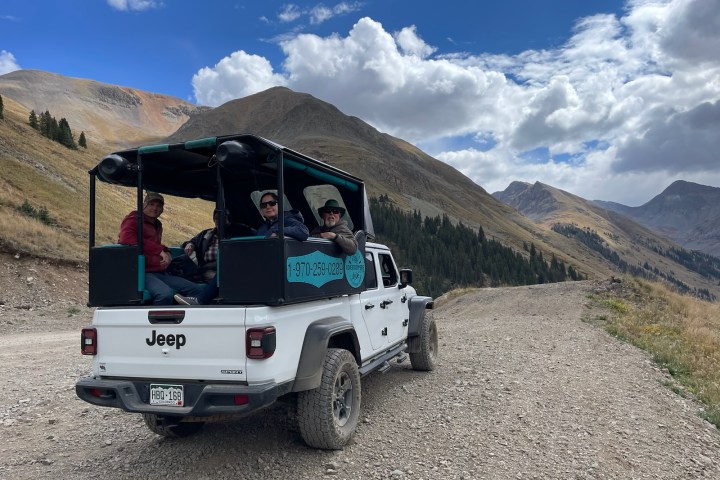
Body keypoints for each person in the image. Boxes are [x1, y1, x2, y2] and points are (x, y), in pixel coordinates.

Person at [174, 192, 309, 306]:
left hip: (274, 268)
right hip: (259, 263)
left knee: (228, 268)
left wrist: (279, 232)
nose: (268, 207)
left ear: (279, 205)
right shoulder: (263, 227)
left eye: (272, 203)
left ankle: (200, 300)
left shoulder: (288, 219)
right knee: (228, 266)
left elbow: (303, 232)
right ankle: (203, 298)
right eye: (264, 205)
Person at [117, 191, 204, 305]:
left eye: (159, 206)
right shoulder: (133, 219)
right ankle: (158, 321)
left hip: (159, 271)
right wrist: (158, 250)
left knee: (196, 290)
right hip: (140, 272)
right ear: (144, 205)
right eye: (151, 204)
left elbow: (152, 243)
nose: (155, 208)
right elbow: (126, 239)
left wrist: (166, 251)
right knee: (165, 294)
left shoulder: (157, 224)